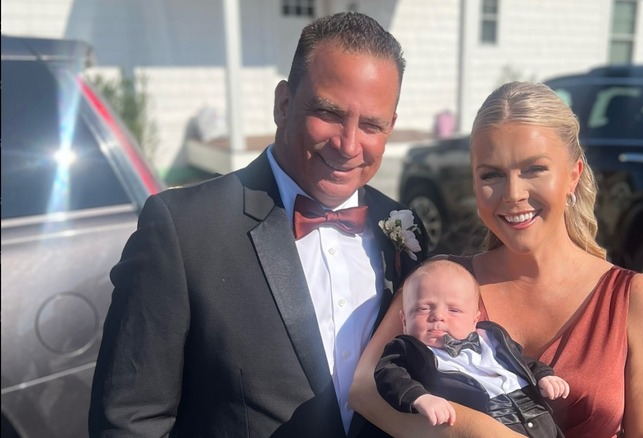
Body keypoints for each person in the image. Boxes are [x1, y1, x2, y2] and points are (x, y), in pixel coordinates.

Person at [89, 12, 428, 437]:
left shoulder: (402, 231)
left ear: (391, 127)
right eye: (329, 112)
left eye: (372, 125)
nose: (349, 144)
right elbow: (129, 420)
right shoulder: (183, 231)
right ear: (283, 104)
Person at [350, 81, 643, 437]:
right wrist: (481, 432)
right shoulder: (441, 280)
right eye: (492, 174)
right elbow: (364, 389)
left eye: (534, 169)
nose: (513, 194)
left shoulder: (642, 303)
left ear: (573, 175)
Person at [374, 259, 568, 438]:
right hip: (490, 419)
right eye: (423, 308)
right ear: (404, 320)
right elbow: (389, 374)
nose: (438, 316)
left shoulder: (492, 337)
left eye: (454, 310)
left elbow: (522, 362)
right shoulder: (408, 350)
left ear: (474, 320)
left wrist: (544, 375)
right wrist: (419, 398)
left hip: (536, 410)